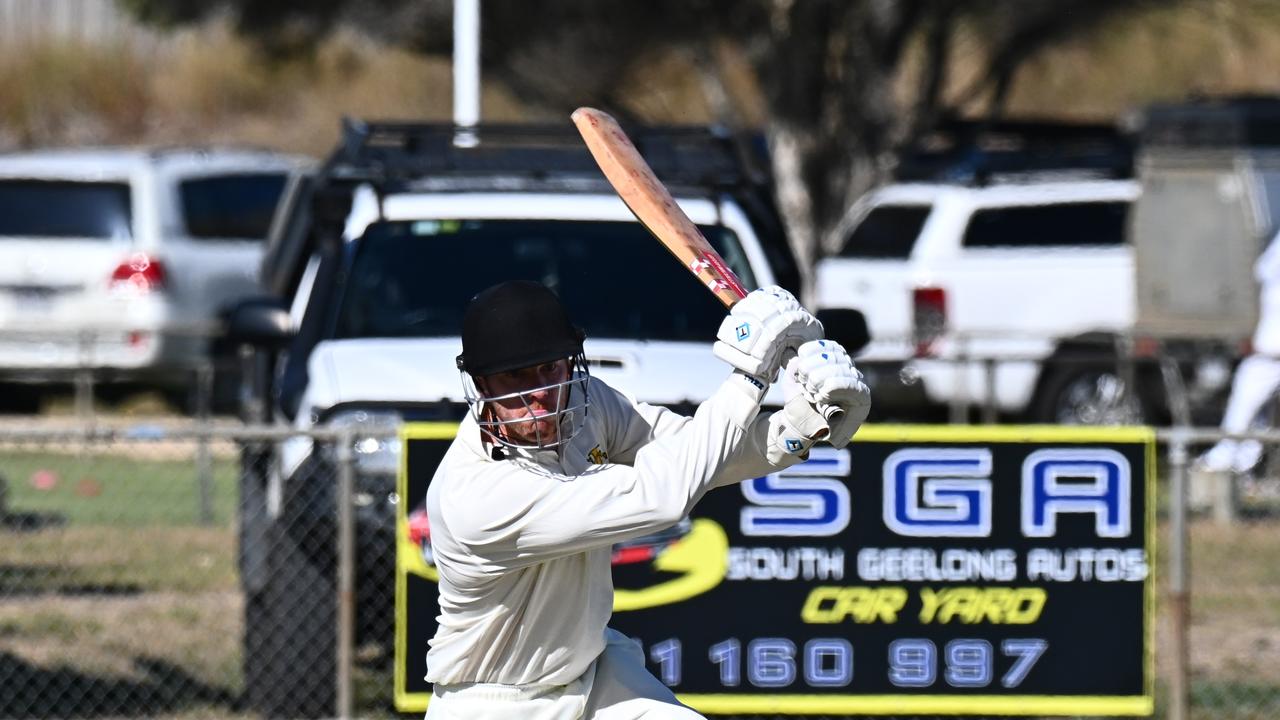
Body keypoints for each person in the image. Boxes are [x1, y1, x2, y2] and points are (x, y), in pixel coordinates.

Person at [422, 279, 871, 720]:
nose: (541, 392)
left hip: (594, 678)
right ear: (481, 385)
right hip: (495, 703)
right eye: (517, 376)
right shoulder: (476, 496)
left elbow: (702, 452)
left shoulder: (588, 404)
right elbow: (661, 496)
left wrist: (799, 425)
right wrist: (750, 374)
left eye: (550, 369)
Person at [1197, 229, 1280, 475]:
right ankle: (1237, 464)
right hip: (1269, 350)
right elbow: (1261, 273)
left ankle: (1232, 461)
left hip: (1270, 349)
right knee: (1250, 409)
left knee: (1248, 407)